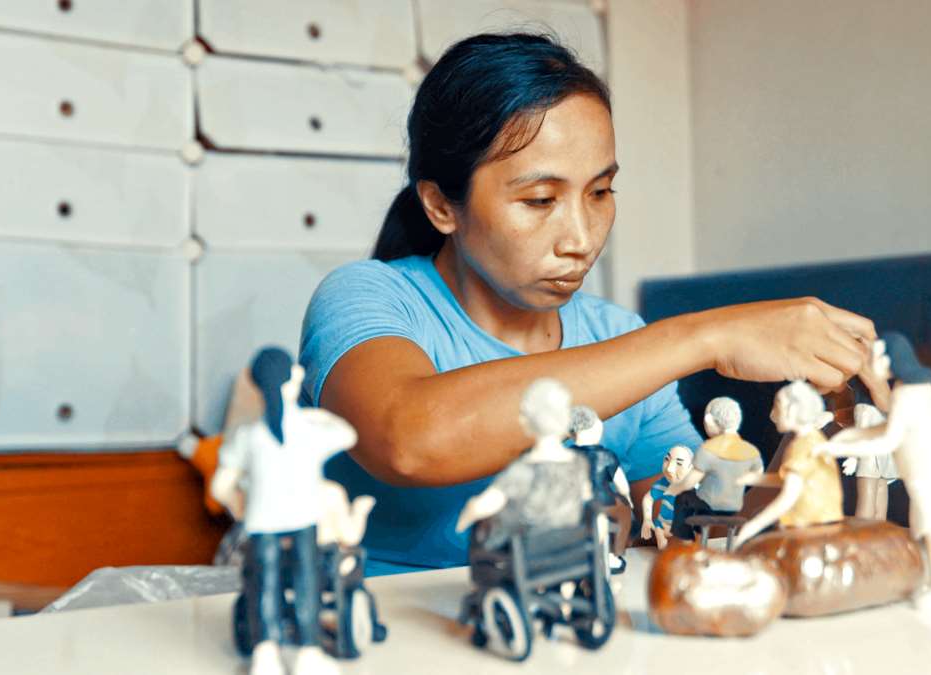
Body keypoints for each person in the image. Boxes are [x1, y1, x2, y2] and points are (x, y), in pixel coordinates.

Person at [299, 32, 882, 575]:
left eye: (600, 191)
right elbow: (408, 439)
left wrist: (801, 449)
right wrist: (707, 337)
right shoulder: (368, 297)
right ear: (441, 206)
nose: (580, 239)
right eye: (540, 199)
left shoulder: (620, 338)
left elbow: (680, 519)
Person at [211, 347, 358, 675]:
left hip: (261, 524)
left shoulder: (248, 435)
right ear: (292, 379)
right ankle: (308, 653)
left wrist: (240, 507)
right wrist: (319, 416)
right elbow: (348, 435)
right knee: (307, 582)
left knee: (264, 583)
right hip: (303, 520)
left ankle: (265, 655)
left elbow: (220, 486)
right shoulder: (309, 431)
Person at [816, 333, 931, 612]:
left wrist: (841, 449)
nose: (872, 364)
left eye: (877, 358)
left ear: (891, 360)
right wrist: (846, 439)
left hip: (929, 473)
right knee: (929, 531)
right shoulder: (911, 388)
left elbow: (889, 440)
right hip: (922, 473)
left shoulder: (907, 394)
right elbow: (884, 428)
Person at [454, 379, 593, 549]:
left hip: (533, 551)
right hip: (571, 547)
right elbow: (587, 497)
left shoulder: (522, 470)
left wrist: (463, 521)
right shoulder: (579, 463)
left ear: (527, 422)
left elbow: (483, 506)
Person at [732, 381, 844, 548]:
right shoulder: (814, 438)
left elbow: (788, 497)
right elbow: (793, 480)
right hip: (824, 516)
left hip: (809, 520)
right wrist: (754, 479)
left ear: (792, 410)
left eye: (777, 407)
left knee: (759, 530)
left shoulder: (799, 447)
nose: (772, 414)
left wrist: (751, 528)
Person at [664, 397, 764, 541]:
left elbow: (690, 482)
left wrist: (673, 489)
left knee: (683, 497)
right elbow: (757, 477)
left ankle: (683, 540)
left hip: (709, 506)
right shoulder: (751, 450)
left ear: (709, 420)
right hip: (734, 505)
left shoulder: (708, 448)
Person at [568, 405, 632, 572]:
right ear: (595, 428)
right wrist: (628, 499)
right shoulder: (607, 455)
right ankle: (613, 555)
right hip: (605, 503)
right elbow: (622, 485)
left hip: (575, 505)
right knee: (624, 513)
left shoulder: (567, 456)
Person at [641, 445, 694, 549]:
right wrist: (647, 519)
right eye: (667, 459)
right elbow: (648, 498)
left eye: (679, 464)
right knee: (659, 532)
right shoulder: (663, 484)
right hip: (663, 525)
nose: (669, 469)